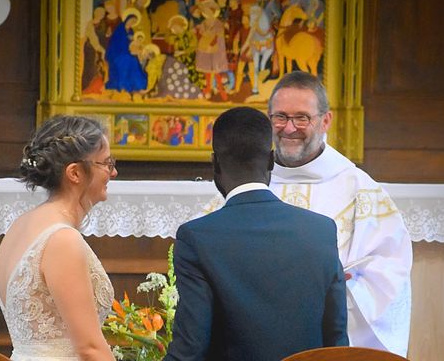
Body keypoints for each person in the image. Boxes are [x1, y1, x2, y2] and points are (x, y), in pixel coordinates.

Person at [164, 107, 348, 361]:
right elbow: (337, 342)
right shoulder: (321, 231)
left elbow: (190, 350)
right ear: (272, 160)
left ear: (215, 163)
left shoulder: (197, 238)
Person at [267, 71, 412, 356]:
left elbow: (389, 270)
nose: (289, 128)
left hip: (332, 337)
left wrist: (334, 286)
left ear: (325, 121)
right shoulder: (251, 181)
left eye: (302, 118)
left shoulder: (359, 189)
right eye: (280, 117)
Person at [0, 115, 118, 360]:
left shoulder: (20, 225)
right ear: (75, 173)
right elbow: (90, 348)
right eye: (106, 163)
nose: (113, 172)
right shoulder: (62, 239)